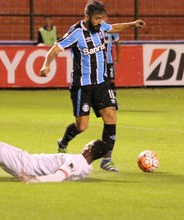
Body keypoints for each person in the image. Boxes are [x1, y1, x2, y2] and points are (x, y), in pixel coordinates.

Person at [39, 0, 145, 172]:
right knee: (82, 126)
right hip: (82, 86)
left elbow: (113, 28)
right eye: (96, 18)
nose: (99, 22)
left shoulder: (101, 26)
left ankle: (106, 159)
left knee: (111, 116)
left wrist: (132, 24)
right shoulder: (76, 33)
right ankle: (63, 142)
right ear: (86, 16)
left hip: (102, 83)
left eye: (101, 18)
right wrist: (46, 65)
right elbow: (55, 49)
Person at [0, 138, 109, 183]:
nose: (85, 145)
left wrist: (34, 180)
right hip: (27, 164)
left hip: (26, 163)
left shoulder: (76, 160)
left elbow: (59, 176)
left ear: (90, 148)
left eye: (89, 143)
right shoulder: (86, 168)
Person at [103, 13, 121, 97]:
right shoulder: (96, 29)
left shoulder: (112, 29)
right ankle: (105, 96)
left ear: (107, 18)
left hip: (109, 59)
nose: (102, 19)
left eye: (104, 17)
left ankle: (112, 96)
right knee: (102, 79)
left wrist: (118, 56)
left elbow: (117, 42)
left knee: (111, 79)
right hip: (100, 60)